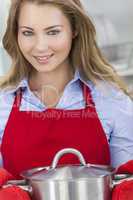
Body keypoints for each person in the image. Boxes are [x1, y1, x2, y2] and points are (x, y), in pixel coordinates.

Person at [0, 0, 133, 180]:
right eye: (28, 33)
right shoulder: (3, 102)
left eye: (53, 31)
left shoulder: (111, 101)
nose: (40, 46)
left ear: (74, 30)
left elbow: (127, 182)